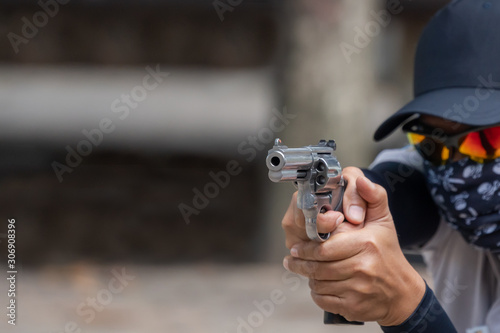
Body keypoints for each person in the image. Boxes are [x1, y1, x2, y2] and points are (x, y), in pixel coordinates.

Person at [281, 1, 500, 332]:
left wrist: (405, 307)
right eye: (433, 142)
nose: (457, 163)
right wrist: (346, 207)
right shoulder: (440, 175)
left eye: (485, 140)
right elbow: (396, 188)